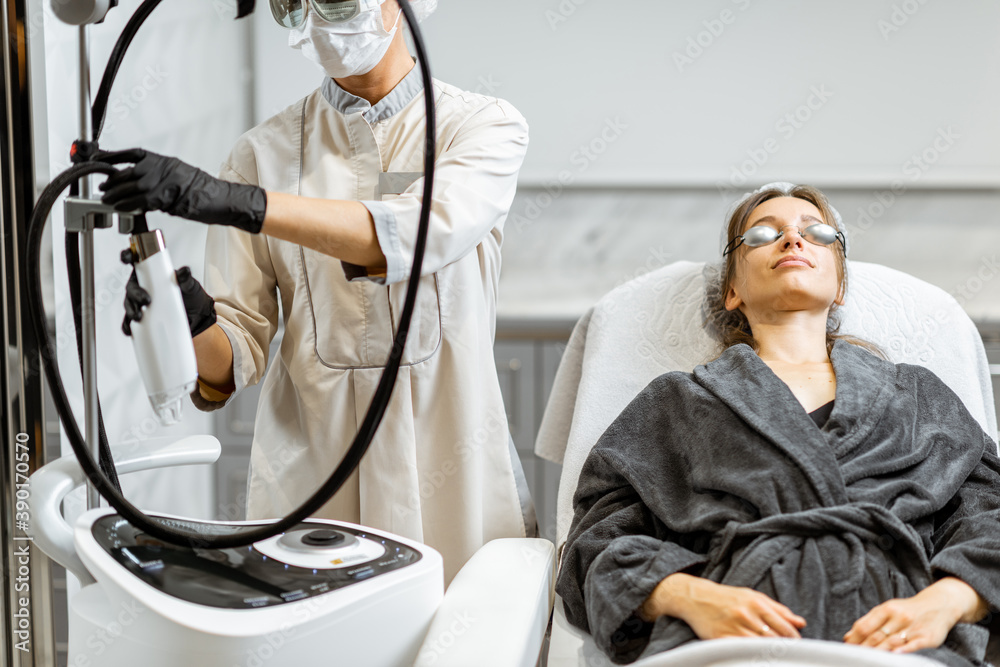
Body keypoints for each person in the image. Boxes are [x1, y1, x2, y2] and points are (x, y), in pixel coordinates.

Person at [101, 0, 535, 584]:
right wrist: (188, 318)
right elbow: (231, 361)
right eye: (292, 3)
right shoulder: (261, 154)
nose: (318, 18)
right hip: (314, 479)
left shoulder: (480, 126)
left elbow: (416, 230)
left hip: (452, 470)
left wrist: (239, 203)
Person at [556, 183, 1000, 666]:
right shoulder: (678, 401)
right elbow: (593, 545)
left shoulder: (916, 394)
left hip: (895, 645)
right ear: (732, 290)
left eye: (818, 233)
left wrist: (946, 601)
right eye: (763, 234)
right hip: (725, 645)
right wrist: (688, 596)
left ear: (841, 284)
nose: (792, 239)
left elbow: (990, 516)